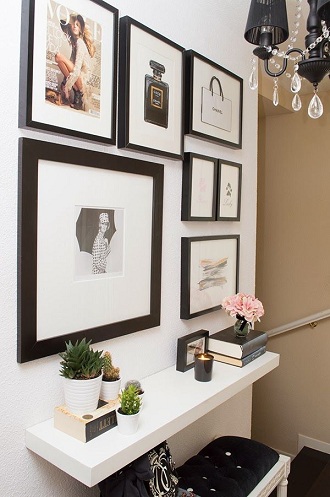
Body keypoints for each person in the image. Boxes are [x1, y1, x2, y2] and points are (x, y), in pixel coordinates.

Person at [55, 12, 95, 111]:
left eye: (77, 25)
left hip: (83, 82)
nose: (75, 26)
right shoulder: (74, 44)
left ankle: (79, 94)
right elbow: (70, 68)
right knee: (60, 61)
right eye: (73, 24)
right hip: (78, 79)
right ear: (69, 26)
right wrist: (64, 83)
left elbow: (76, 70)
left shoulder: (80, 43)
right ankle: (77, 94)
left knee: (58, 56)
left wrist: (67, 87)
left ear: (81, 28)